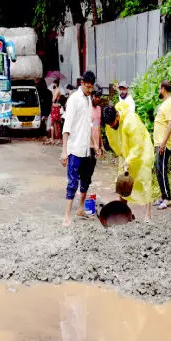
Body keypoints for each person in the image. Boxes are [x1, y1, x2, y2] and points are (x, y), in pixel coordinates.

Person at [102, 104, 154, 221]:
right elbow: (113, 140)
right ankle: (123, 212)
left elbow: (138, 144)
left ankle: (148, 215)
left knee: (144, 182)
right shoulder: (110, 124)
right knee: (122, 182)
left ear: (117, 116)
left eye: (112, 123)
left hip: (142, 152)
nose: (111, 126)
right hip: (125, 153)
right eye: (109, 125)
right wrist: (123, 157)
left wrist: (129, 160)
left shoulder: (131, 120)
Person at [60, 70, 96, 226]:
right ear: (82, 83)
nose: (90, 90)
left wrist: (95, 144)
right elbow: (67, 126)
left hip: (86, 149)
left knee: (86, 181)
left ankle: (80, 209)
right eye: (87, 86)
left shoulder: (89, 99)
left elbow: (88, 125)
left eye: (91, 87)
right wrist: (64, 151)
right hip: (74, 149)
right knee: (72, 183)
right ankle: (66, 216)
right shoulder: (74, 99)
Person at [153, 79, 171, 209]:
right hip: (158, 143)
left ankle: (167, 198)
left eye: (159, 88)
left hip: (164, 144)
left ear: (163, 89)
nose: (159, 91)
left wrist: (163, 143)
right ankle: (163, 196)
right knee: (158, 170)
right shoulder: (166, 103)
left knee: (162, 171)